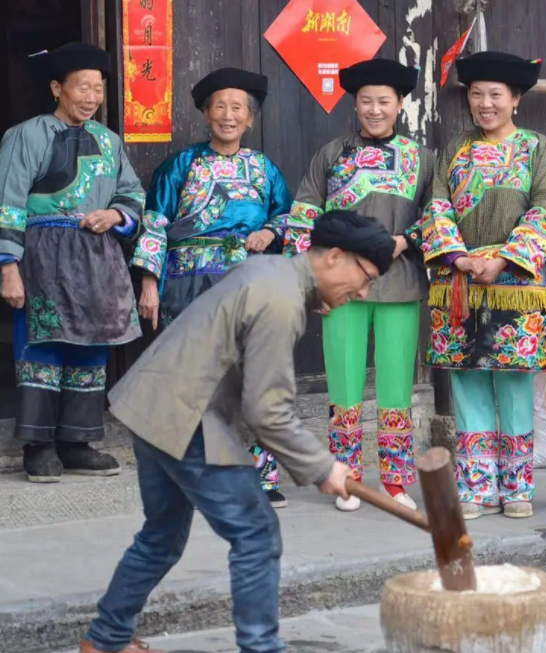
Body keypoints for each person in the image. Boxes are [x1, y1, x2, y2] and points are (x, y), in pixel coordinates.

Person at [79, 210, 396, 653]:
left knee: (161, 536)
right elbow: (268, 410)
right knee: (256, 534)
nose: (362, 292)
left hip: (152, 403)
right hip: (187, 416)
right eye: (365, 278)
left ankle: (105, 639)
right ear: (334, 257)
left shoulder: (271, 272)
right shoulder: (282, 299)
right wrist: (323, 466)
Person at [132, 67, 294, 508]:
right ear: (206, 113)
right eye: (219, 106)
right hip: (187, 282)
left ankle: (259, 476)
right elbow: (155, 222)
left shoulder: (263, 168)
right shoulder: (181, 165)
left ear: (250, 119)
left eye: (237, 108)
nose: (228, 115)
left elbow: (288, 217)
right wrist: (148, 282)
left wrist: (270, 232)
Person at [282, 58, 433, 512]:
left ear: (400, 104)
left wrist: (405, 240)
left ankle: (395, 480)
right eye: (366, 101)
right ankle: (345, 477)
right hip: (340, 287)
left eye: (384, 101)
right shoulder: (332, 155)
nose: (374, 109)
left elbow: (438, 214)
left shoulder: (422, 159)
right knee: (344, 384)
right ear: (354, 104)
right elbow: (304, 216)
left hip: (400, 282)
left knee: (396, 386)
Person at [421, 51, 546, 520]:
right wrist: (460, 258)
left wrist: (504, 259)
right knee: (467, 383)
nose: (485, 104)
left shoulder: (537, 148)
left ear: (516, 99)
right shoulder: (454, 149)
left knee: (515, 384)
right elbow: (436, 206)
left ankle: (517, 487)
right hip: (460, 282)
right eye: (477, 95)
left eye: (496, 95)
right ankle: (476, 486)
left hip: (515, 281)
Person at [0, 43, 146, 483]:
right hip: (44, 254)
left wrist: (116, 215)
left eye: (97, 89)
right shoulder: (26, 136)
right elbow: (8, 200)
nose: (91, 97)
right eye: (82, 87)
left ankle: (77, 442)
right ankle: (39, 445)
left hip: (98, 259)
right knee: (42, 344)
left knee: (91, 345)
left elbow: (132, 193)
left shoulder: (109, 141)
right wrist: (8, 267)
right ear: (56, 88)